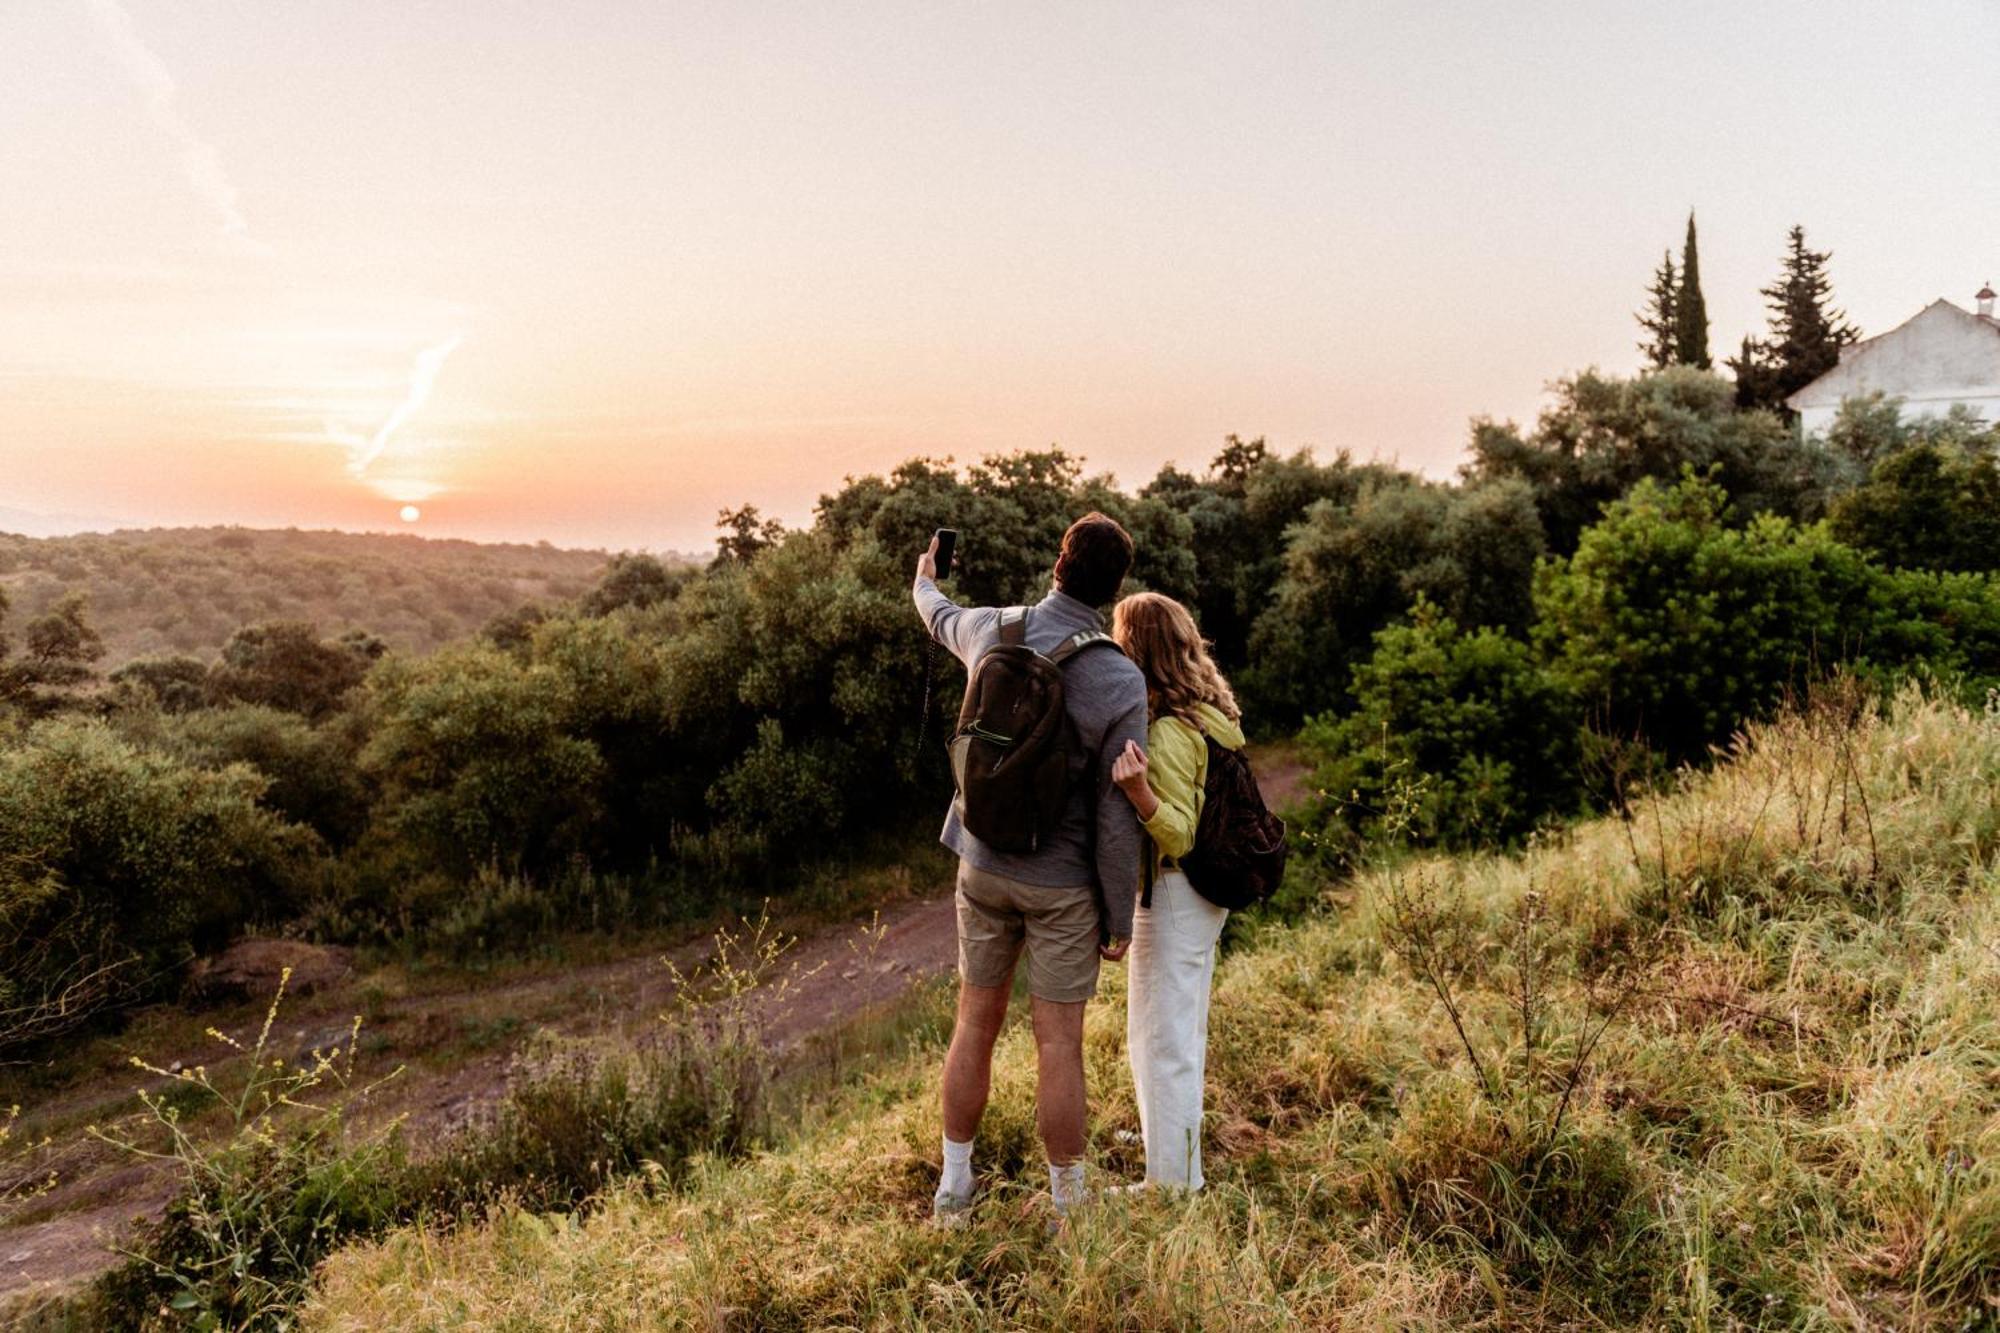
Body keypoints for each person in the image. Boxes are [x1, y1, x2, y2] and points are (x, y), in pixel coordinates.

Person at [912, 512, 1150, 1225]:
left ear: (1058, 563)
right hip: (1061, 885)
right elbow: (1115, 820)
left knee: (974, 1022)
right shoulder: (1120, 678)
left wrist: (927, 574)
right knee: (1059, 1042)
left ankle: (955, 1187)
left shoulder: (994, 629)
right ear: (1115, 588)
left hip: (980, 860)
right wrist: (1117, 915)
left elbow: (934, 611)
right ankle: (1067, 1205)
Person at [1108, 591, 1246, 1192]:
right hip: (1201, 902)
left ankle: (1172, 1187)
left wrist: (1139, 792)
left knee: (1161, 1044)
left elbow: (1180, 835)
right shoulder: (1214, 712)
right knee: (1176, 1036)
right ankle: (1171, 1153)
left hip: (1173, 892)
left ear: (1136, 647)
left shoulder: (1168, 729)